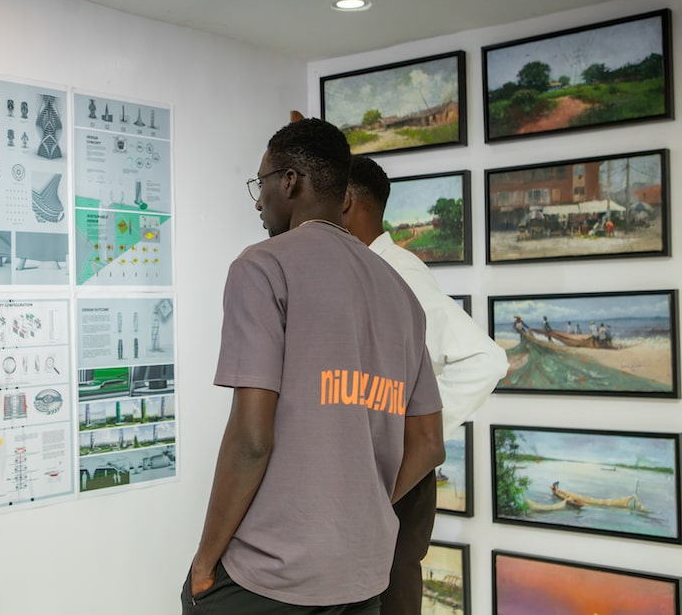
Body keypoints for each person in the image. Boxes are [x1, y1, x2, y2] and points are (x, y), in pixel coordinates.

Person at [184, 119, 444, 614]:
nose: (258, 203)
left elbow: (251, 440)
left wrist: (204, 561)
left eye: (260, 184)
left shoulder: (262, 266)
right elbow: (429, 443)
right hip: (364, 576)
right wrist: (359, 509)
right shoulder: (401, 292)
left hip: (273, 573)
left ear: (289, 181)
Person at [341, 156, 509, 615]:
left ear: (346, 200)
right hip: (381, 469)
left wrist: (415, 430)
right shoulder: (364, 268)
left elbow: (487, 360)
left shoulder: (397, 272)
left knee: (392, 595)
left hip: (397, 475)